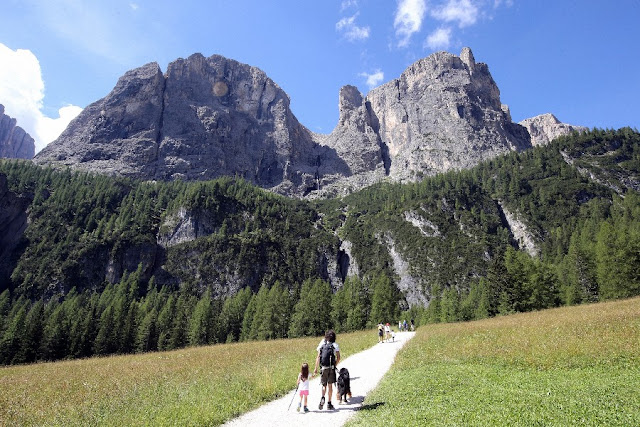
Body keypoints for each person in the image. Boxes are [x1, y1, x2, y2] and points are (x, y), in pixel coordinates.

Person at [314, 330, 340, 410]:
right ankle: (329, 403)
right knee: (330, 385)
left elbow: (318, 357)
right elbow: (338, 357)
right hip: (331, 368)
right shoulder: (335, 345)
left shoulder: (322, 343)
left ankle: (322, 397)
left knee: (324, 385)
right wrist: (334, 365)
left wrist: (316, 368)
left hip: (323, 368)